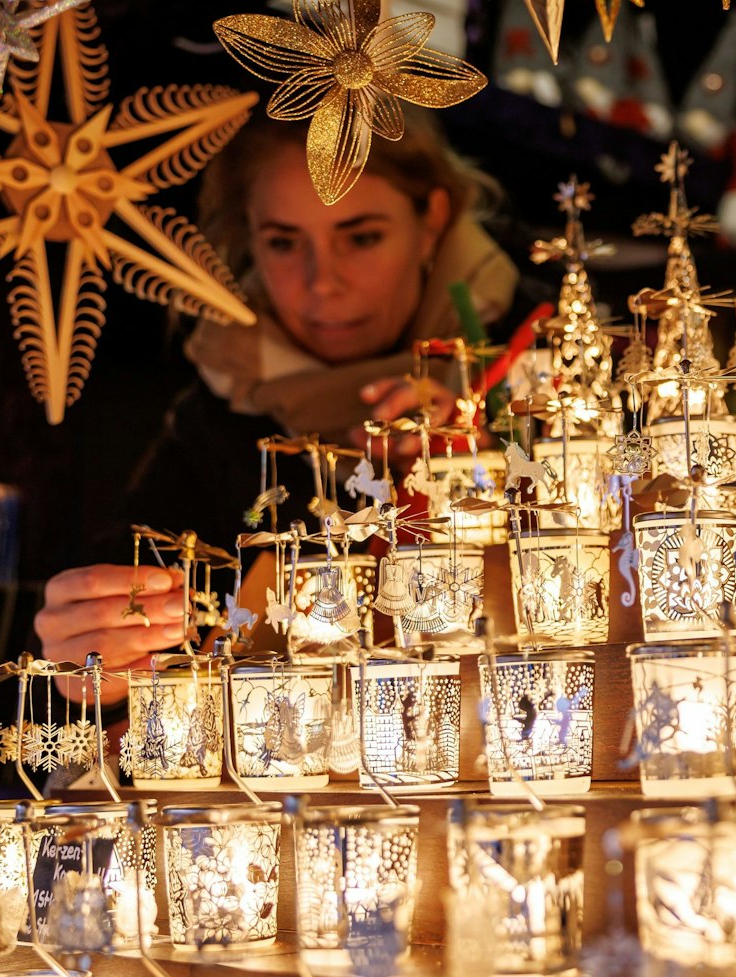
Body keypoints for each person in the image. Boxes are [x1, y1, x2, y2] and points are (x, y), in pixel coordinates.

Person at [35, 110, 535, 703]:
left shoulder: (546, 358)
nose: (322, 282)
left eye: (361, 236)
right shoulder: (218, 407)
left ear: (432, 220)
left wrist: (486, 462)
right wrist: (92, 657)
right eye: (283, 242)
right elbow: (123, 622)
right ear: (247, 236)